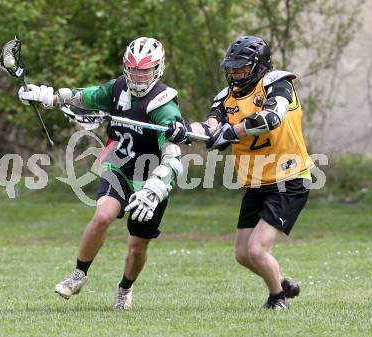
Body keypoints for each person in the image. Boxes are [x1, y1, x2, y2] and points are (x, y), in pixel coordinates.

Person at [18, 37, 184, 310]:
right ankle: (78, 275)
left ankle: (124, 289)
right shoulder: (118, 88)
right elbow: (87, 96)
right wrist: (52, 97)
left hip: (151, 177)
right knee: (103, 215)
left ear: (158, 68)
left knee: (137, 246)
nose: (138, 76)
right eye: (133, 69)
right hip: (118, 164)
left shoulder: (164, 104)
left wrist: (156, 187)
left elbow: (173, 155)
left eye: (145, 70)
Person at [165, 35, 314, 309]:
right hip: (256, 183)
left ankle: (277, 298)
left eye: (241, 67)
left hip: (288, 179)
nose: (235, 72)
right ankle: (280, 282)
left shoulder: (278, 84)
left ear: (258, 66)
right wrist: (184, 130)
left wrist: (232, 132)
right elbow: (210, 126)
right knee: (243, 255)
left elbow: (271, 118)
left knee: (257, 249)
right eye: (232, 67)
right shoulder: (226, 98)